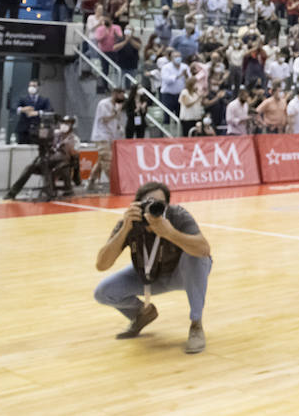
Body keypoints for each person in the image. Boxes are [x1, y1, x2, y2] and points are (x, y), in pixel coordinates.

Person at [94, 181, 211, 354]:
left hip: (181, 274)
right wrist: (125, 229)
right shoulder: (129, 222)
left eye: (160, 204)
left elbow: (204, 249)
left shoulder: (177, 216)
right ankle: (142, 314)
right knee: (103, 292)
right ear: (137, 205)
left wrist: (170, 233)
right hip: (149, 277)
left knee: (197, 256)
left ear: (167, 206)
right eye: (148, 203)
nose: (154, 209)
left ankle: (196, 324)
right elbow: (102, 265)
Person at [87, 87, 126, 192]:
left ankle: (90, 182)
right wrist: (116, 112)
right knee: (107, 161)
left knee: (101, 161)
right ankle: (114, 183)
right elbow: (105, 119)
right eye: (121, 95)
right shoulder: (104, 104)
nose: (122, 97)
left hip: (110, 137)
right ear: (115, 94)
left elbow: (116, 122)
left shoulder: (116, 106)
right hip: (101, 136)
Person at [13, 79, 53, 144]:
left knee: (38, 148)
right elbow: (14, 107)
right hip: (24, 129)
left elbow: (50, 110)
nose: (31, 88)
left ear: (38, 87)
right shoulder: (23, 99)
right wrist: (23, 109)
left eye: (34, 86)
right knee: (22, 149)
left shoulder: (44, 100)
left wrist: (37, 113)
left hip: (38, 128)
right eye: (30, 85)